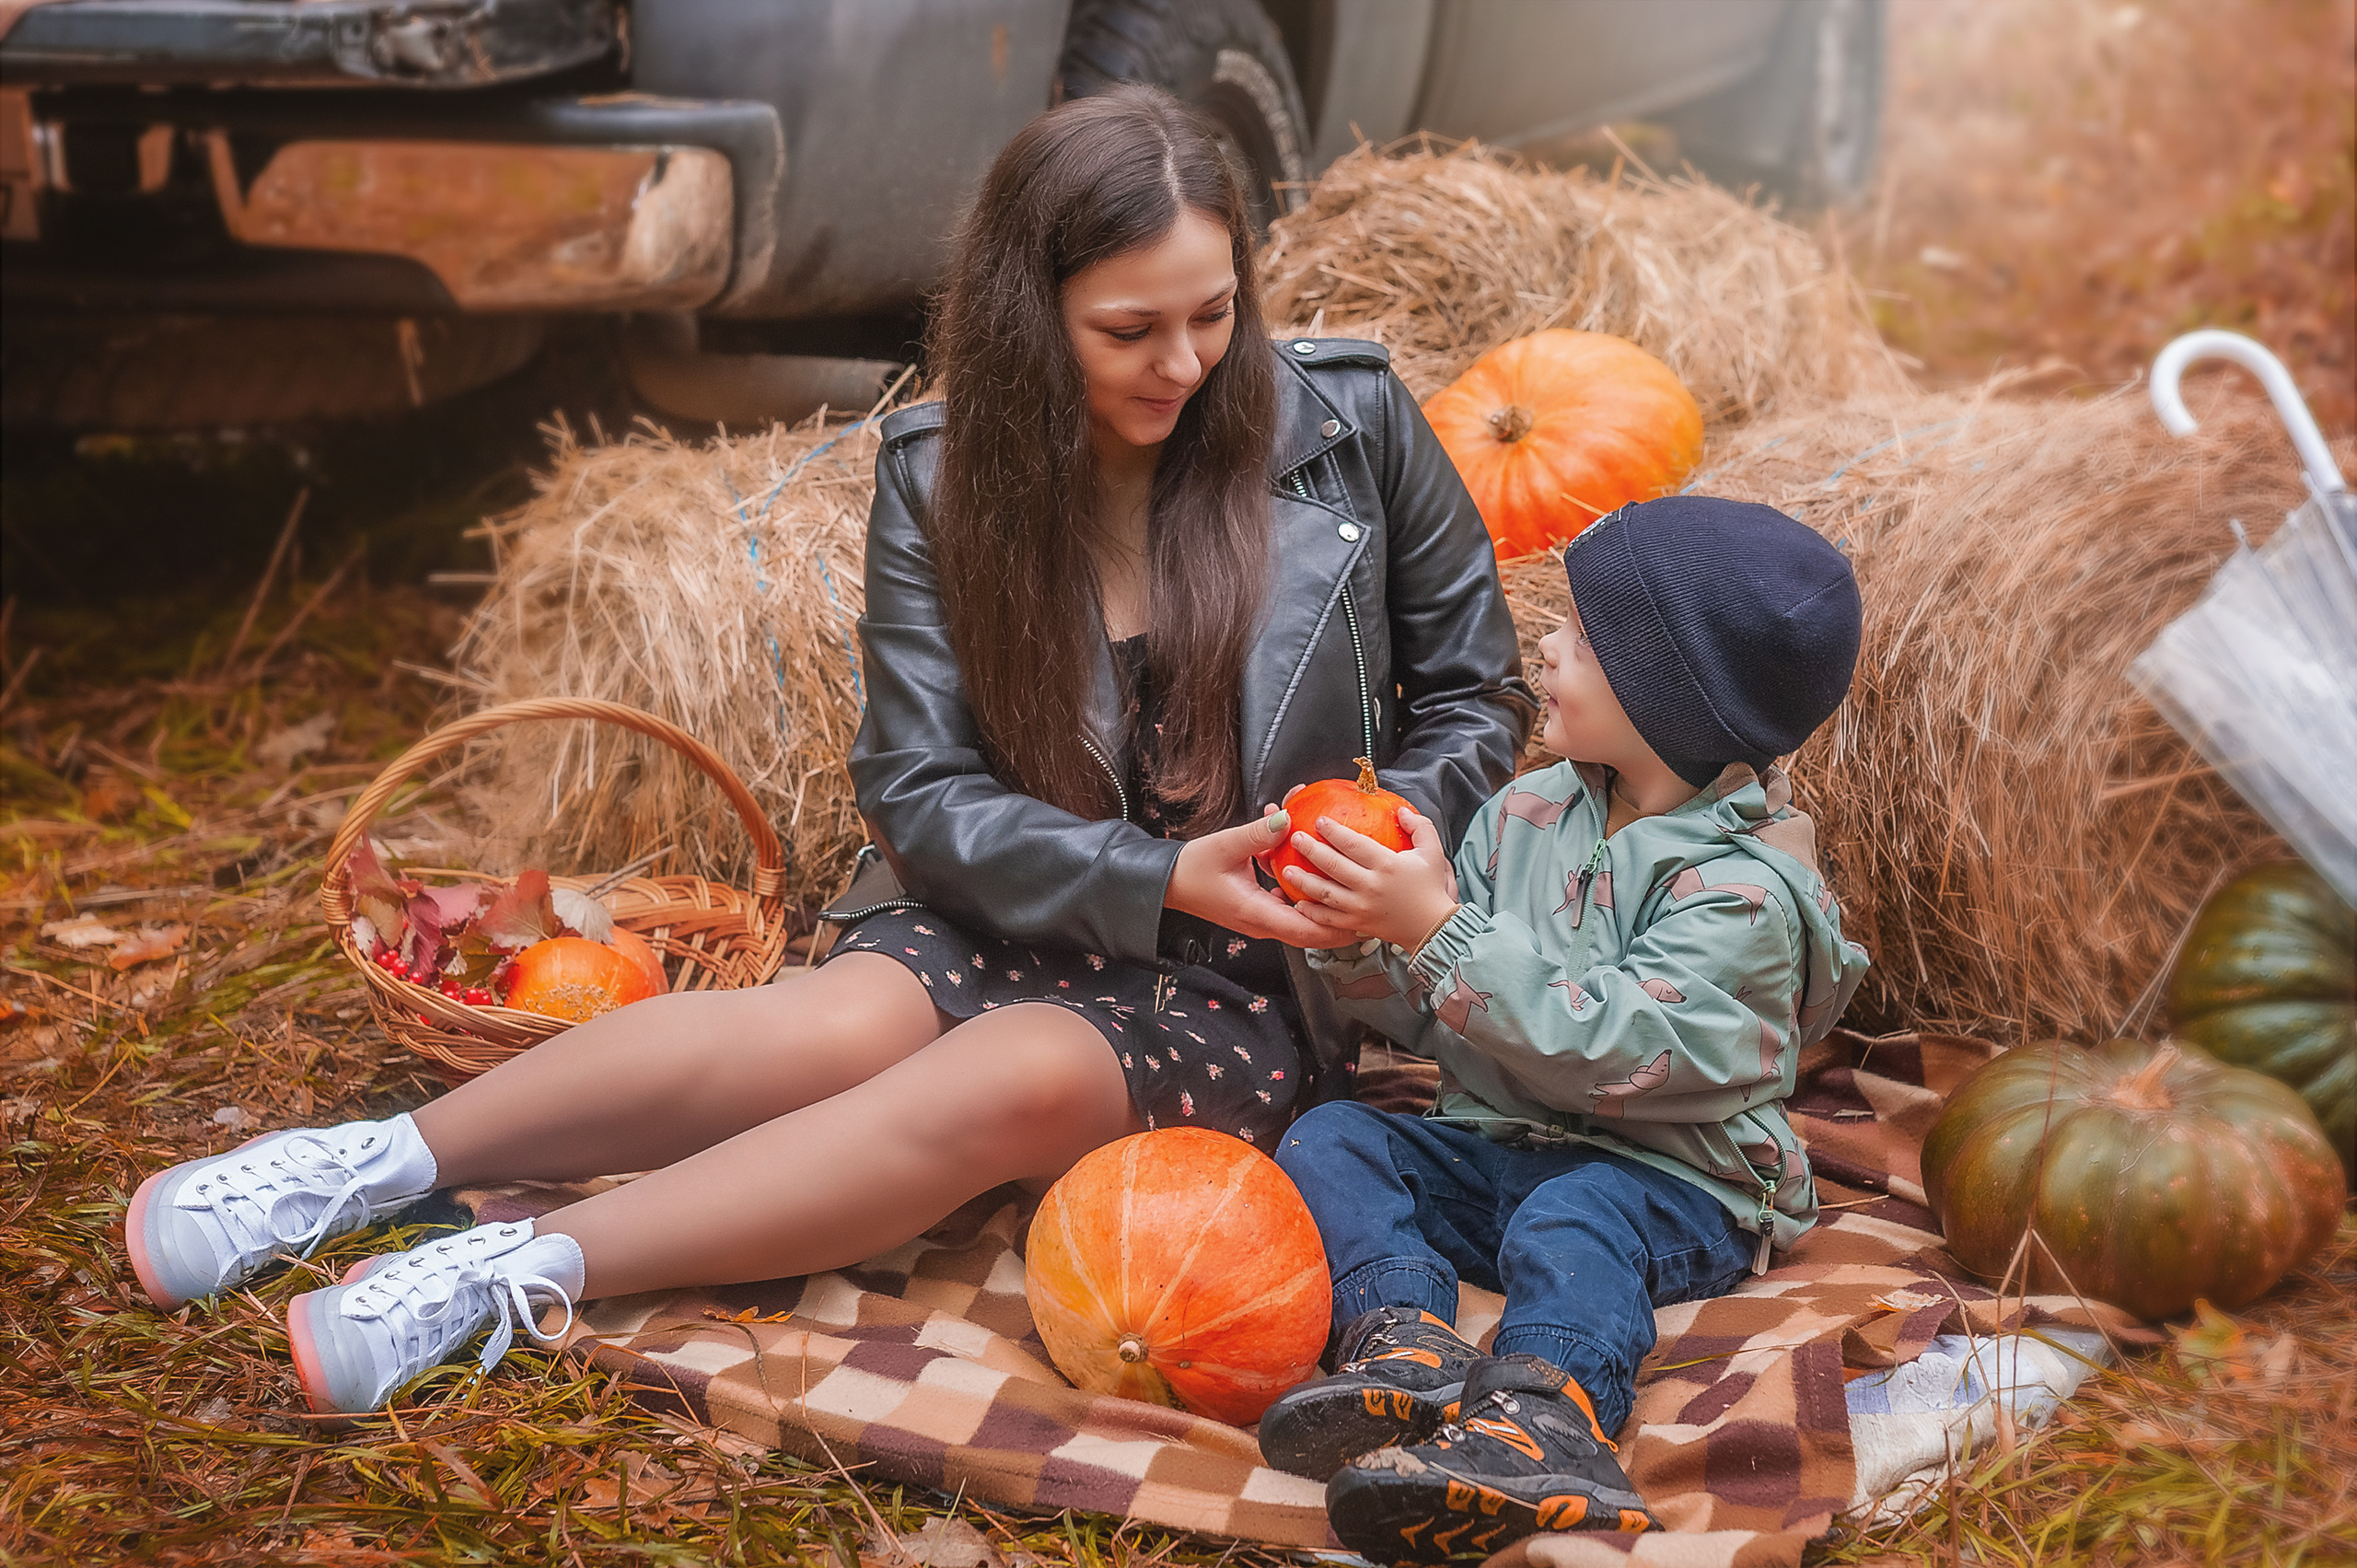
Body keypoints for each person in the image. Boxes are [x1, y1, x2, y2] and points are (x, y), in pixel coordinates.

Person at [117, 84, 1533, 1417]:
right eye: (1128, 330)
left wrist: (1386, 827)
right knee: (827, 1023)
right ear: (1033, 320)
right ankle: (364, 1167)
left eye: (1213, 314)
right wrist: (1156, 870)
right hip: (1020, 896)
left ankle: (511, 1268)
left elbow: (1478, 690)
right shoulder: (937, 476)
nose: (1185, 362)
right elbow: (917, 791)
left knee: (1010, 1078)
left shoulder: (1354, 422)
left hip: (1249, 969)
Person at [1254, 495, 1870, 1561]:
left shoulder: (1745, 893)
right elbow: (1445, 1026)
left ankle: (1549, 1416)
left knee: (1573, 1222)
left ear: (1666, 694)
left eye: (1581, 639)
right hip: (1506, 1142)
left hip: (1669, 1182)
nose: (1545, 644)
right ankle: (1407, 1350)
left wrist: (1436, 928)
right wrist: (1364, 943)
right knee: (1335, 1136)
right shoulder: (1524, 814)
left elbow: (1608, 1052)